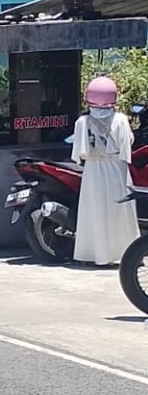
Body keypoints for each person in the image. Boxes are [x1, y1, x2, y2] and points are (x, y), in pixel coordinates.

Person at [72, 77, 138, 267]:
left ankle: (93, 254)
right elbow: (129, 143)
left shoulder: (82, 122)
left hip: (93, 170)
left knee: (94, 210)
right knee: (120, 211)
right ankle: (125, 254)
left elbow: (79, 153)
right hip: (117, 169)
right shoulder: (121, 120)